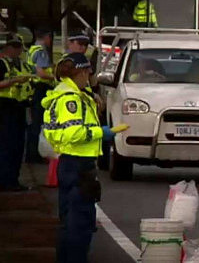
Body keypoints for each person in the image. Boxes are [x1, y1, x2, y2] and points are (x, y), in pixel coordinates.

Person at [41, 53, 125, 263]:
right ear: (79, 72)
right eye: (88, 72)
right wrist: (102, 132)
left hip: (72, 163)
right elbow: (74, 133)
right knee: (79, 224)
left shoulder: (73, 93)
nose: (89, 77)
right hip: (77, 164)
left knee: (71, 221)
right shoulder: (71, 99)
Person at [0, 34, 33, 191]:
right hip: (5, 110)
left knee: (18, 147)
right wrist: (14, 81)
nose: (18, 51)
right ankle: (5, 181)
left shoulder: (22, 65)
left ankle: (13, 180)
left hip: (20, 109)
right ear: (8, 48)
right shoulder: (2, 64)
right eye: (15, 48)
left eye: (19, 48)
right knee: (7, 146)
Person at [26, 29, 56, 164]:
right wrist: (56, 77)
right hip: (41, 89)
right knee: (38, 124)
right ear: (47, 37)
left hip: (33, 89)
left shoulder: (32, 49)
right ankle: (35, 156)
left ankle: (31, 155)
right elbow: (41, 73)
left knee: (34, 123)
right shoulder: (41, 51)